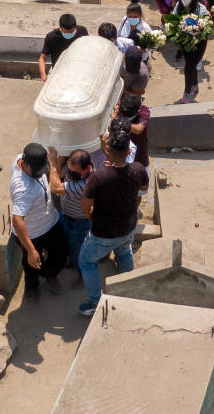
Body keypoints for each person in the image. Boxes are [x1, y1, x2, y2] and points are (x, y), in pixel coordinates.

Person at [76, 128, 150, 315]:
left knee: (86, 261)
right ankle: (127, 292)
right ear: (128, 151)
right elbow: (144, 186)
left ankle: (94, 302)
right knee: (124, 254)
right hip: (128, 227)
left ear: (108, 150)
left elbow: (85, 206)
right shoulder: (138, 169)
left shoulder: (99, 177)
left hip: (103, 232)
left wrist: (92, 216)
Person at [10, 143, 68, 302]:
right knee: (31, 263)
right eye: (36, 171)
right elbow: (17, 220)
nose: (40, 174)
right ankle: (32, 286)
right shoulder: (23, 189)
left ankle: (49, 275)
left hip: (50, 223)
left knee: (60, 253)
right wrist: (31, 250)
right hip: (32, 232)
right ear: (25, 164)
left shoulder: (20, 160)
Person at [46, 147, 93, 276]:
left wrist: (53, 164)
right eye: (70, 172)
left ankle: (82, 276)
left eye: (74, 174)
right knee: (66, 245)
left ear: (87, 169)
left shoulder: (85, 185)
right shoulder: (76, 170)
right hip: (66, 215)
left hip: (79, 224)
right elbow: (61, 174)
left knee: (77, 253)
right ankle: (71, 261)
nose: (70, 176)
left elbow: (55, 187)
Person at [171, 0, 210, 103]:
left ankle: (186, 92)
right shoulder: (179, 6)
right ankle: (195, 85)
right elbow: (173, 19)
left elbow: (205, 25)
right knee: (190, 63)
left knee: (189, 65)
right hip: (185, 40)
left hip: (199, 41)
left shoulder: (201, 8)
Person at [39, 13, 88, 81]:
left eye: (71, 32)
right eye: (66, 33)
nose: (69, 35)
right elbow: (42, 58)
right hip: (59, 72)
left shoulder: (82, 31)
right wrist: (43, 74)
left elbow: (88, 48)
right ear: (60, 27)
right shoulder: (51, 37)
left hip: (78, 71)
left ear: (75, 26)